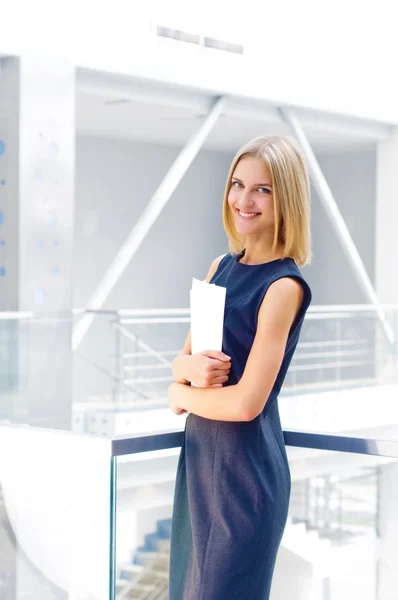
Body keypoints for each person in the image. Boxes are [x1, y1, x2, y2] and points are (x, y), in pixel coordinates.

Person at [167, 134, 312, 600]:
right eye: (237, 184)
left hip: (245, 477)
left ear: (285, 198)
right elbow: (182, 361)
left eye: (262, 189)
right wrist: (184, 373)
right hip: (200, 468)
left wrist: (180, 395)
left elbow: (248, 403)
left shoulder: (283, 286)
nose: (243, 200)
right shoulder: (218, 268)